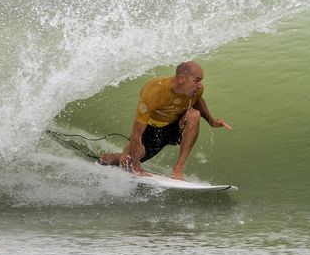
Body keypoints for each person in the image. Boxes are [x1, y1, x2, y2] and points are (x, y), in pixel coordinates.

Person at [99, 61, 231, 180]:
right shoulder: (154, 91)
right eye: (196, 80)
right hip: (152, 131)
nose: (199, 85)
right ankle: (115, 157)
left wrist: (212, 121)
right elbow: (137, 132)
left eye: (200, 81)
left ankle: (178, 167)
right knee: (127, 162)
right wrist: (134, 163)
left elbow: (197, 102)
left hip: (175, 128)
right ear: (181, 78)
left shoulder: (196, 90)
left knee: (194, 115)